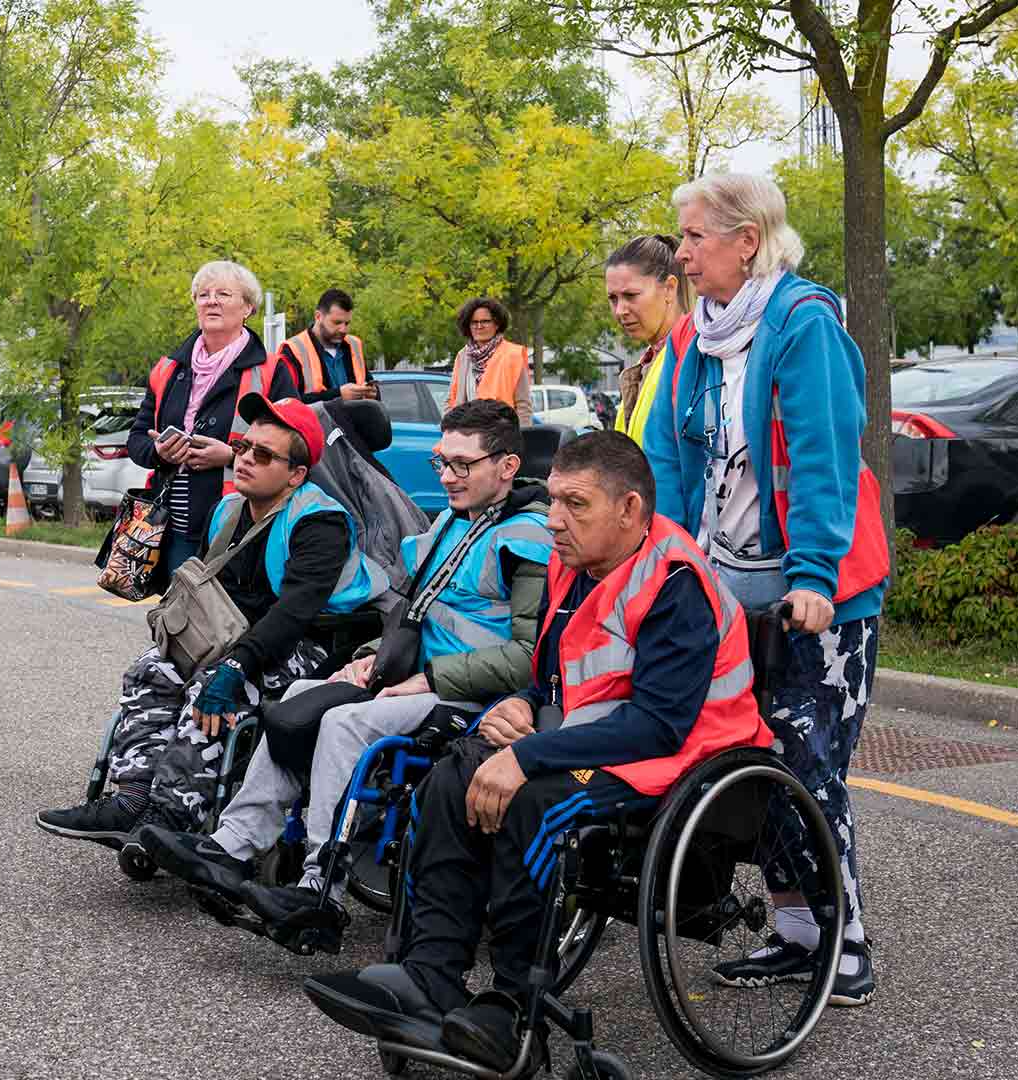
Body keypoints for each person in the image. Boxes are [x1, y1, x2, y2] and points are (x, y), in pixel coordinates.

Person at [304, 432, 769, 1070]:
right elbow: (556, 670)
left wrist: (529, 756)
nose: (553, 519)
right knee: (448, 777)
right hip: (592, 737)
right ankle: (429, 975)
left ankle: (512, 1006)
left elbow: (658, 726)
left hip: (683, 756)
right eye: (552, 501)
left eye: (575, 504)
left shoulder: (675, 582)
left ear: (630, 510)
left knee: (533, 804)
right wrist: (525, 702)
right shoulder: (574, 563)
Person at [139, 399, 552, 940]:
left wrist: (430, 678)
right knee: (300, 698)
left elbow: (528, 655)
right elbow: (420, 613)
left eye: (461, 465)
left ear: (507, 466)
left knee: (342, 724)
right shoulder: (455, 524)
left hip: (477, 698)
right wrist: (371, 659)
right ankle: (232, 847)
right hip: (420, 678)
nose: (447, 477)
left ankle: (321, 885)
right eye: (440, 463)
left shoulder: (528, 538)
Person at [644, 172, 889, 1007]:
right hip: (726, 586)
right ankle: (794, 936)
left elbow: (823, 456)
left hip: (818, 594)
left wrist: (815, 574)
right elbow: (673, 462)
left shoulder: (802, 324)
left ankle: (844, 939)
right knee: (748, 762)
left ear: (745, 240)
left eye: (693, 238)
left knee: (807, 764)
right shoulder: (692, 340)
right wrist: (669, 566)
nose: (679, 255)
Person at [37, 395, 383, 843]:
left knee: (212, 684)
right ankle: (132, 798)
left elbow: (293, 613)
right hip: (229, 633)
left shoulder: (321, 523)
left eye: (263, 455)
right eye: (241, 446)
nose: (244, 460)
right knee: (152, 668)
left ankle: (172, 817)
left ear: (296, 475)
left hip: (306, 642)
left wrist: (238, 665)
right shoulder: (227, 510)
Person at [125, 261, 302, 593]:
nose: (211, 301)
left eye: (223, 294)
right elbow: (137, 440)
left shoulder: (271, 370)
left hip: (241, 527)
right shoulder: (167, 369)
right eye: (203, 295)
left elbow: (295, 449)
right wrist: (160, 452)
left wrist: (232, 457)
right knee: (178, 623)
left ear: (247, 307)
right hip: (173, 526)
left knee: (230, 625)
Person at [605, 234, 693, 446]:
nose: (620, 311)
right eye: (613, 298)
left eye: (631, 295)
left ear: (670, 288)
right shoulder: (647, 364)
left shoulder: (690, 357)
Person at [445, 297, 532, 426]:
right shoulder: (463, 356)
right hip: (467, 435)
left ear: (497, 324)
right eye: (474, 322)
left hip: (501, 435)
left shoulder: (514, 355)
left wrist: (521, 439)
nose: (479, 326)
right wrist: (448, 428)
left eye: (485, 321)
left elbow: (523, 406)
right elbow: (452, 400)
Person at [279, 289, 376, 405]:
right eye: (337, 323)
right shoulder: (293, 348)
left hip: (355, 421)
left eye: (347, 323)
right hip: (315, 422)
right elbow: (287, 402)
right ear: (318, 316)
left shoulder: (354, 345)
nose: (343, 329)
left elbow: (369, 383)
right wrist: (338, 395)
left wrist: (372, 393)